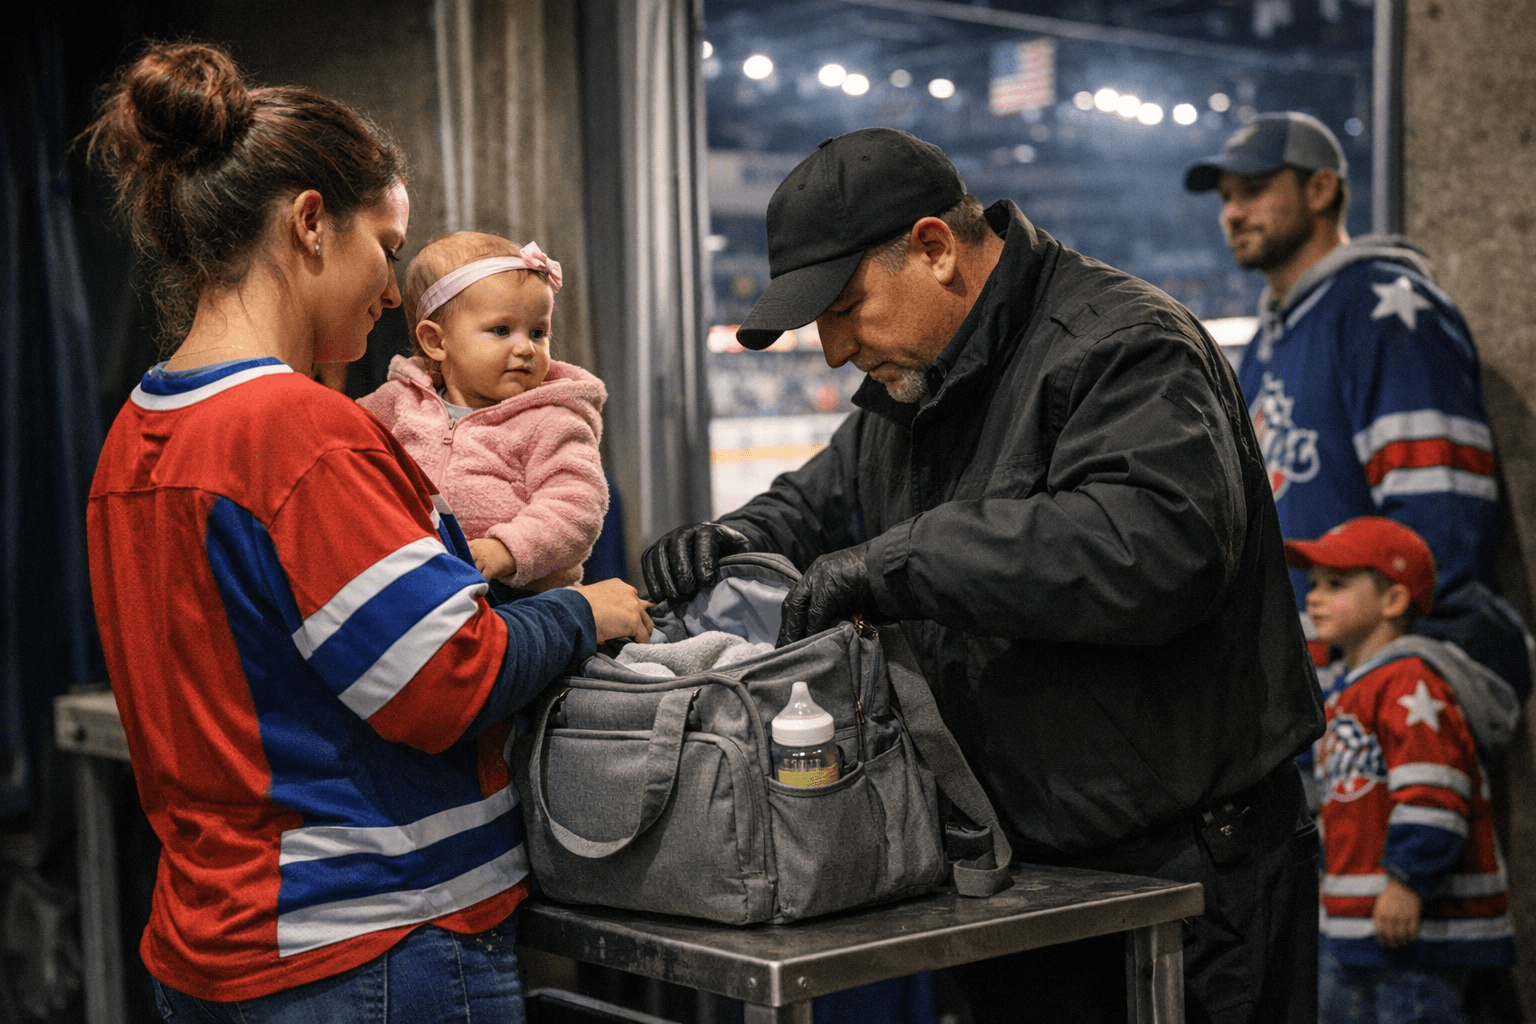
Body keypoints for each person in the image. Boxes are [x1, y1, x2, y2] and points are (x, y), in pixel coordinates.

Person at [642, 127, 1325, 1022]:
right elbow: (820, 504)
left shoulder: (1124, 345)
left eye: (845, 308)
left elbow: (1153, 551)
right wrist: (733, 538)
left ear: (934, 250)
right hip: (1023, 873)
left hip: (1188, 889)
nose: (835, 350)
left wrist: (898, 563)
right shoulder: (916, 382)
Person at [82, 41, 651, 1022]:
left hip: (216, 943)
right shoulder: (298, 431)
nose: (392, 295)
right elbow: (446, 680)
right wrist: (583, 611)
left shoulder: (138, 430)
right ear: (311, 223)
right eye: (386, 251)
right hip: (372, 944)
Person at [1184, 112, 1499, 613]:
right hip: (1309, 663)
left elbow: (1438, 516)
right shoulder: (1270, 339)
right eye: (1226, 198)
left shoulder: (1382, 310)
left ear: (1320, 189)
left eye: (1254, 190)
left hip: (1372, 662)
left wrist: (1387, 655)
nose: (1233, 213)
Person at [1286, 517, 1515, 1024]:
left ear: (1392, 601)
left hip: (1416, 933)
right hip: (1355, 929)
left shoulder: (1409, 682)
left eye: (1336, 584)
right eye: (1315, 583)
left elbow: (1433, 791)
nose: (1315, 597)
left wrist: (1408, 880)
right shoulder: (1351, 688)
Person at [358, 231, 608, 592]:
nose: (525, 347)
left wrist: (509, 548)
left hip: (519, 595)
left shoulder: (552, 418)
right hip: (412, 585)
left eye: (538, 332)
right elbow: (339, 443)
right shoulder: (397, 402)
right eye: (502, 330)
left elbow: (577, 505)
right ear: (436, 341)